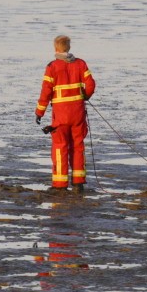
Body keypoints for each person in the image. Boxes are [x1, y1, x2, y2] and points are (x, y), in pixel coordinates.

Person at [36, 34, 95, 191]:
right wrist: (85, 96)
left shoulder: (52, 67)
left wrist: (39, 112)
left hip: (61, 116)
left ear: (56, 48)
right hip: (78, 113)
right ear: (69, 47)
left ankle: (60, 185)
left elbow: (45, 92)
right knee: (78, 146)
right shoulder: (81, 64)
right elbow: (90, 84)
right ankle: (78, 183)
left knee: (60, 146)